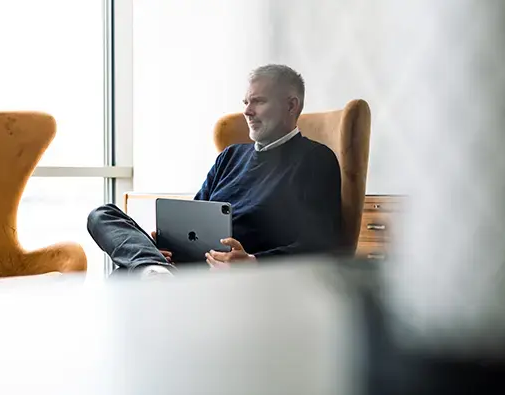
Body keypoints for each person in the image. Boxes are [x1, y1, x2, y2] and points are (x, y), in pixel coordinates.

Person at [87, 64, 341, 278]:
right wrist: (168, 242)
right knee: (101, 215)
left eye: (259, 101)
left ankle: (151, 270)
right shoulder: (230, 156)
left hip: (233, 275)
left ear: (291, 106)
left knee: (124, 274)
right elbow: (195, 216)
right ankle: (154, 267)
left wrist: (253, 262)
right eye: (245, 102)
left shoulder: (315, 159)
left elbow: (320, 245)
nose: (247, 111)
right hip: (188, 263)